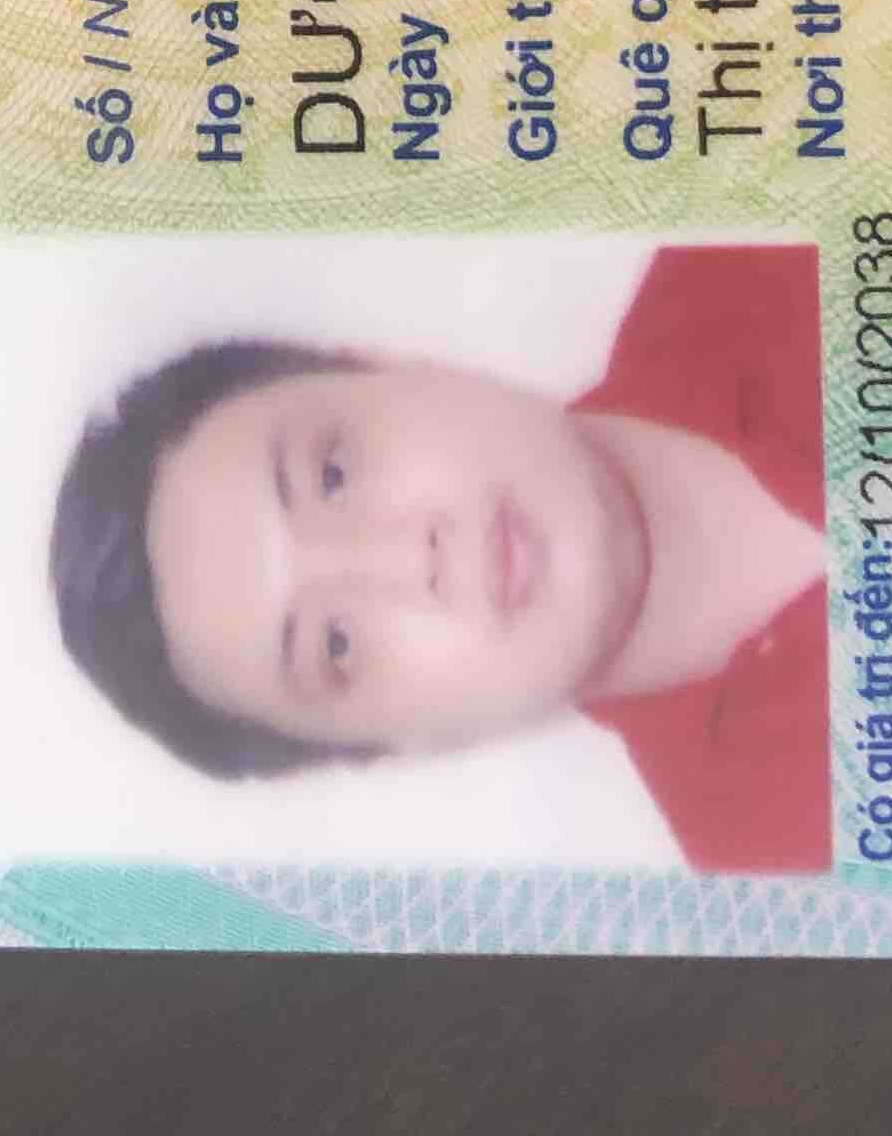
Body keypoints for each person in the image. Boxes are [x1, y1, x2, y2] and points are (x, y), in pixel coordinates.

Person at [48, 241, 830, 870]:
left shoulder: (774, 214)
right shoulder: (788, 886)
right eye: (337, 645)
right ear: (398, 747)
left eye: (333, 473)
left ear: (389, 367)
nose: (406, 561)